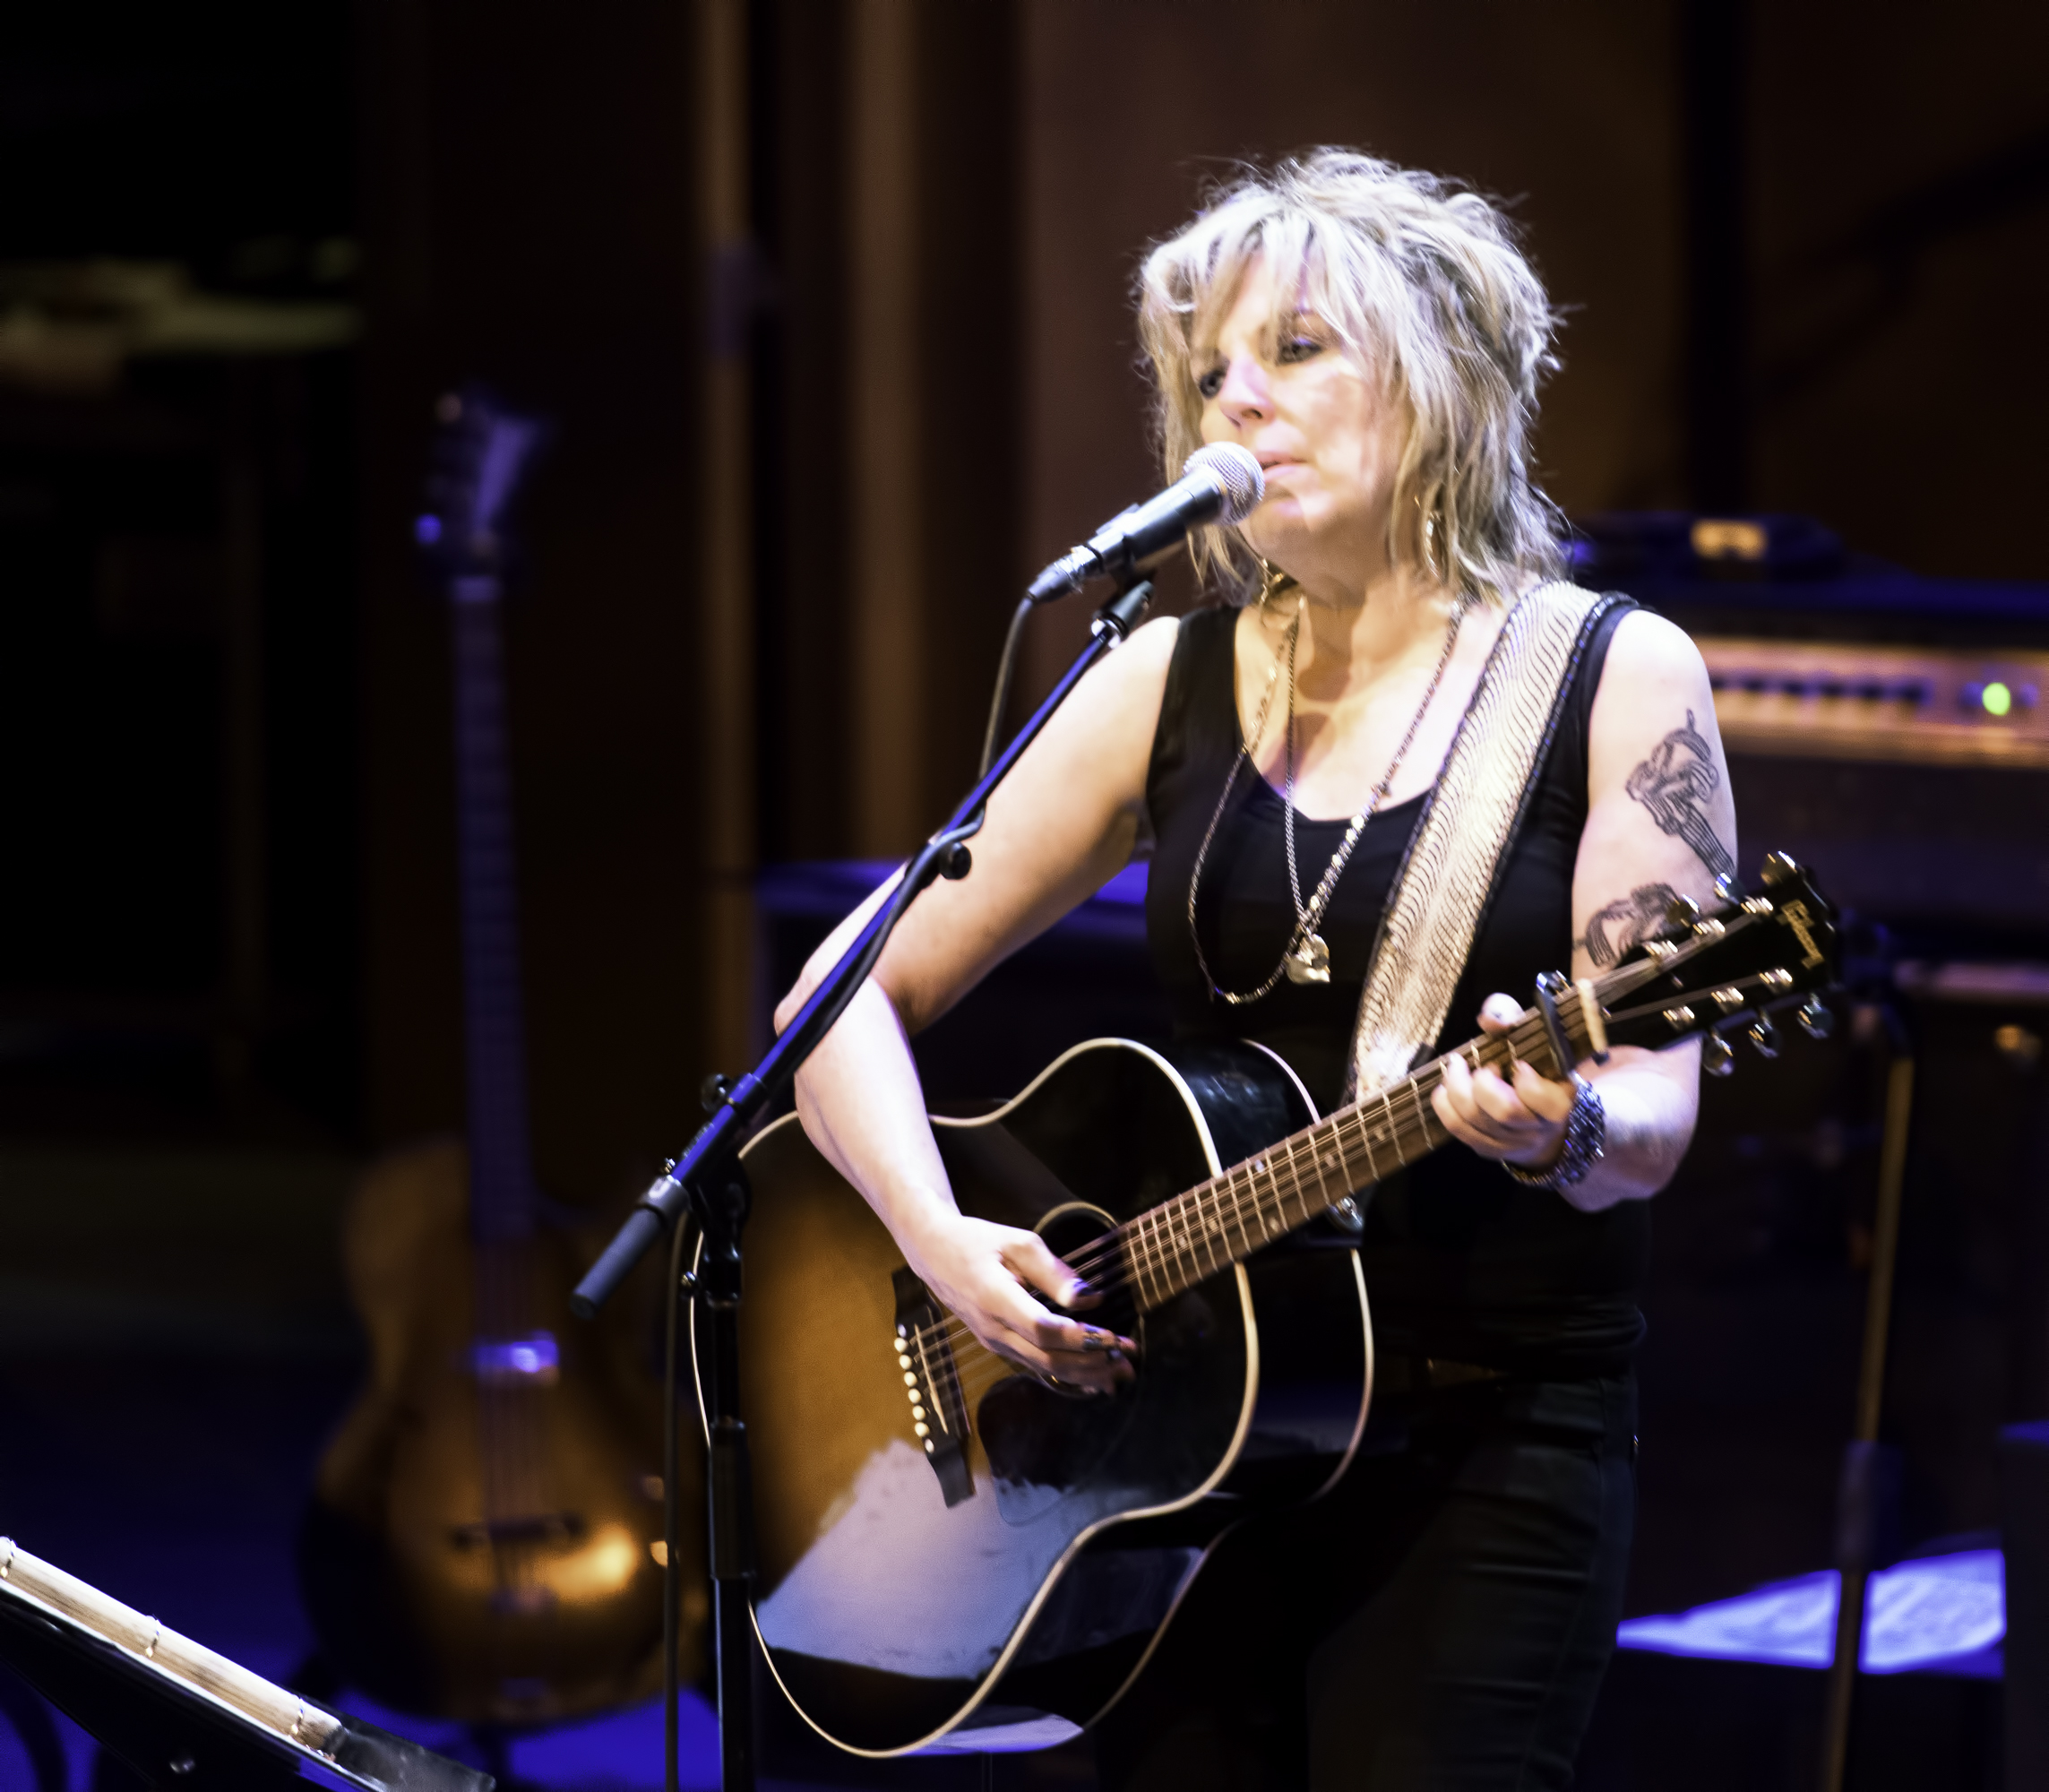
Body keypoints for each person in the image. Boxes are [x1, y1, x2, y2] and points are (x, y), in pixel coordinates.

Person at [776, 151, 1736, 1789]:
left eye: (1295, 351)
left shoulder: (1615, 675)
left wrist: (1553, 1131)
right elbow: (831, 1000)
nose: (1239, 406)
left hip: (1482, 1441)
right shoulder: (1162, 676)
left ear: (1441, 375)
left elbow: (1647, 1114)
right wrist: (938, 1243)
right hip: (1178, 1460)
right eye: (1210, 374)